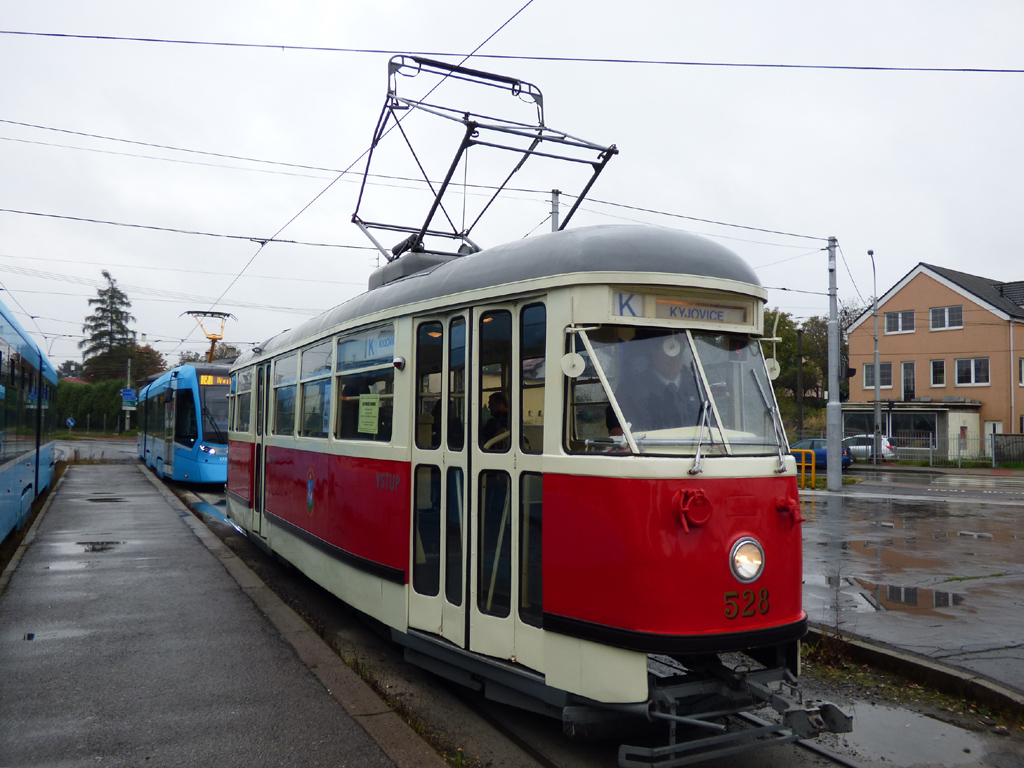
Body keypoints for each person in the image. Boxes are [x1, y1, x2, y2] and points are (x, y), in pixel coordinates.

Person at [613, 333, 702, 433]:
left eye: (679, 353)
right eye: (667, 353)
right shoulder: (629, 390)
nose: (674, 359)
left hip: (697, 447)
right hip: (646, 448)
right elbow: (616, 430)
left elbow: (712, 427)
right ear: (653, 352)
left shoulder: (698, 388)